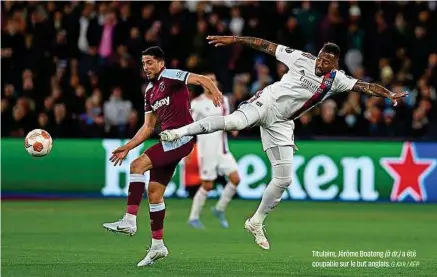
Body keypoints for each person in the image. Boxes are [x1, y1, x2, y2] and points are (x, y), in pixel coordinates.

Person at [160, 36, 408, 250]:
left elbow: (365, 86)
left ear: (335, 64)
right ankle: (180, 131)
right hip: (266, 102)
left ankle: (256, 221)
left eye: (326, 62)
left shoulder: (337, 80)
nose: (320, 63)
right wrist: (234, 40)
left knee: (284, 179)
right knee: (233, 122)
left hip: (282, 123)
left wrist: (388, 94)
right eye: (320, 58)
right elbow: (266, 46)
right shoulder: (301, 58)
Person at [103, 46, 222, 266]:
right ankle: (158, 246)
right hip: (167, 140)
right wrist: (127, 146)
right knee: (154, 193)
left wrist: (214, 90)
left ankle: (129, 220)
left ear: (160, 63)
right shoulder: (149, 91)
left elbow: (202, 79)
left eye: (149, 62)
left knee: (137, 166)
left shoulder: (171, 75)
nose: (145, 67)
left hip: (182, 137)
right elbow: (148, 126)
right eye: (143, 63)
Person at [188, 73, 240, 229]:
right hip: (207, 151)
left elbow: (227, 120)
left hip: (222, 150)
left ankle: (219, 209)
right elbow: (189, 126)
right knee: (208, 185)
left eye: (214, 80)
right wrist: (189, 148)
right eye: (208, 81)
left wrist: (233, 128)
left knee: (235, 179)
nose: (212, 83)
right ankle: (193, 217)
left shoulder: (223, 100)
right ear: (203, 84)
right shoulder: (197, 103)